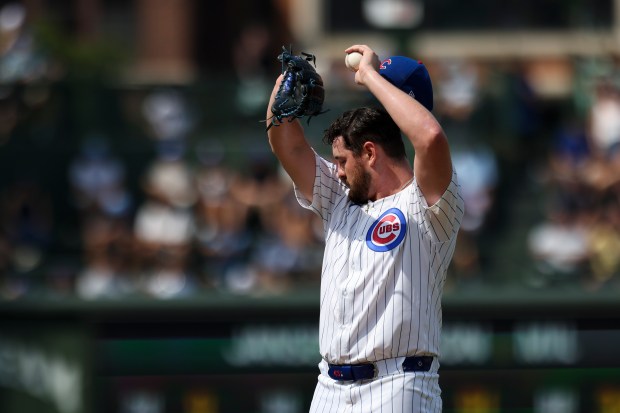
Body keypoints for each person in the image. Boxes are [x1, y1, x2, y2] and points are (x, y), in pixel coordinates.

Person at [265, 44, 464, 413]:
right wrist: (282, 88)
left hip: (398, 383)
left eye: (342, 161)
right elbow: (288, 148)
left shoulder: (429, 203)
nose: (336, 170)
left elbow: (430, 136)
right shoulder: (341, 197)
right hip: (329, 387)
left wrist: (369, 75)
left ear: (370, 153)